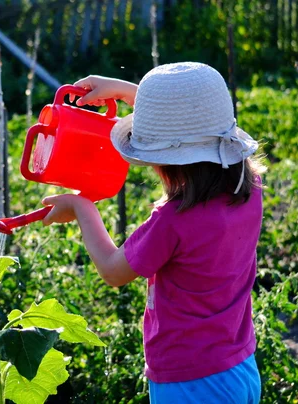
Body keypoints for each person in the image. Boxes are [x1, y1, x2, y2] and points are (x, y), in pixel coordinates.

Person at [41, 62, 264, 403]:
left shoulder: (173, 220)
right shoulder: (248, 190)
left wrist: (81, 208)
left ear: (163, 163)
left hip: (189, 381)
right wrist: (126, 90)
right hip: (240, 368)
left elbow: (114, 271)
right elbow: (201, 122)